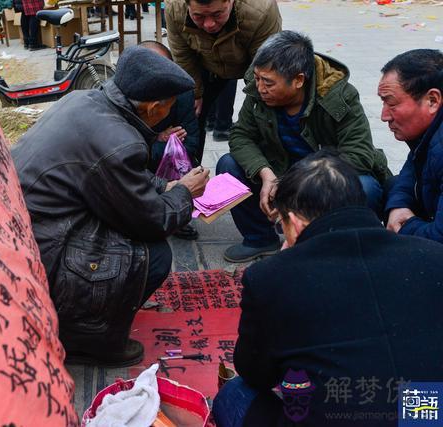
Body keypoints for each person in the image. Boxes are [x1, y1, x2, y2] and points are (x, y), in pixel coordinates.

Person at [11, 46, 209, 367]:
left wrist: (164, 187)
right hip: (42, 249)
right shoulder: (120, 140)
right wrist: (185, 193)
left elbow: (115, 174)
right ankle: (84, 340)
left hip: (24, 226)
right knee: (155, 255)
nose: (170, 112)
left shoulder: (84, 100)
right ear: (154, 108)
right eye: (169, 106)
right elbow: (152, 221)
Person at [213, 151, 443, 427]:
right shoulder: (433, 256)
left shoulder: (272, 277)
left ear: (295, 224)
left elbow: (256, 372)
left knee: (235, 393)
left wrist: (284, 268)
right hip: (425, 415)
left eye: (282, 225)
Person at [216, 31, 389, 262]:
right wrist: (265, 174)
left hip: (322, 177)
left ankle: (335, 249)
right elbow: (240, 135)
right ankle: (259, 239)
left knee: (365, 186)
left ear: (298, 80)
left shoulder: (339, 96)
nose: (260, 87)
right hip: (278, 169)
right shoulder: (258, 91)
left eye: (268, 83)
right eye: (257, 78)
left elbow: (359, 154)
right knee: (228, 165)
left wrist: (299, 185)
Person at [165, 0, 281, 158]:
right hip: (204, 63)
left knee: (263, 111)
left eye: (217, 14)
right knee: (188, 110)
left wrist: (256, 101)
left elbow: (265, 64)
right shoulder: (174, 7)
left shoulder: (262, 9)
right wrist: (196, 93)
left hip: (251, 61)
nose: (209, 24)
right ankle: (189, 166)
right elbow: (182, 55)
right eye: (199, 16)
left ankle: (264, 165)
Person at [141, 40, 201, 240]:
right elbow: (124, 151)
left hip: (168, 161)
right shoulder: (124, 97)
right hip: (135, 165)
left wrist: (168, 146)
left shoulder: (182, 92)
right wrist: (157, 139)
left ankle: (176, 214)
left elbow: (191, 142)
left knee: (185, 162)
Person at [381, 49, 443, 243]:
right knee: (392, 185)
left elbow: (440, 238)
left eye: (391, 104)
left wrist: (406, 225)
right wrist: (398, 206)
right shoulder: (427, 135)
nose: (384, 116)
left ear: (432, 101)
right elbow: (408, 176)